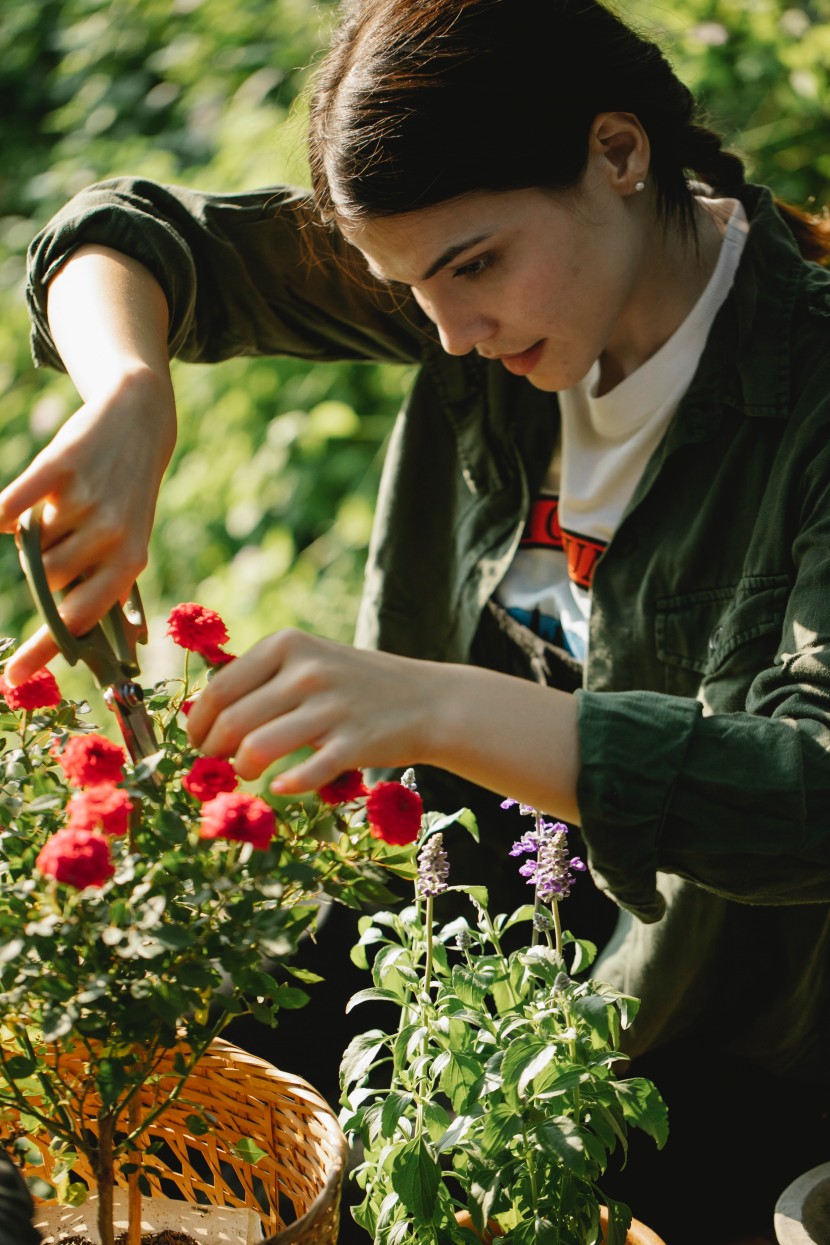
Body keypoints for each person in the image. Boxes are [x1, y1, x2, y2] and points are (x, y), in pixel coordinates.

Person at [3, 0, 830, 1241]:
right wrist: (131, 392)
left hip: (697, 1056)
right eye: (407, 290)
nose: (445, 334)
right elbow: (125, 233)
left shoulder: (806, 388)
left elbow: (808, 796)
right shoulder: (478, 290)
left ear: (619, 153)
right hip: (432, 955)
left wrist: (431, 703)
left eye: (470, 268)